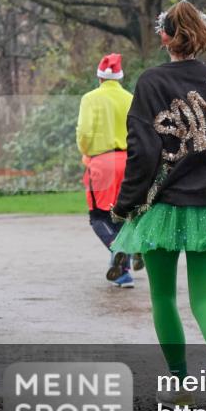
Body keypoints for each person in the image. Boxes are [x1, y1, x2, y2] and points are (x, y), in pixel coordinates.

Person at [110, 1, 206, 411]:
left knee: (162, 297)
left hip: (163, 206)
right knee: (204, 299)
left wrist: (125, 205)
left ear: (165, 36)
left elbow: (142, 153)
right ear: (202, 34)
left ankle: (179, 387)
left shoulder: (151, 82)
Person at [76, 53, 140, 287]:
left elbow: (84, 132)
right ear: (120, 77)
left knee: (99, 217)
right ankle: (123, 271)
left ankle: (122, 251)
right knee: (123, 214)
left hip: (102, 163)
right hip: (130, 161)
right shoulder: (130, 98)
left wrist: (86, 151)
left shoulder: (90, 98)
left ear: (99, 77)